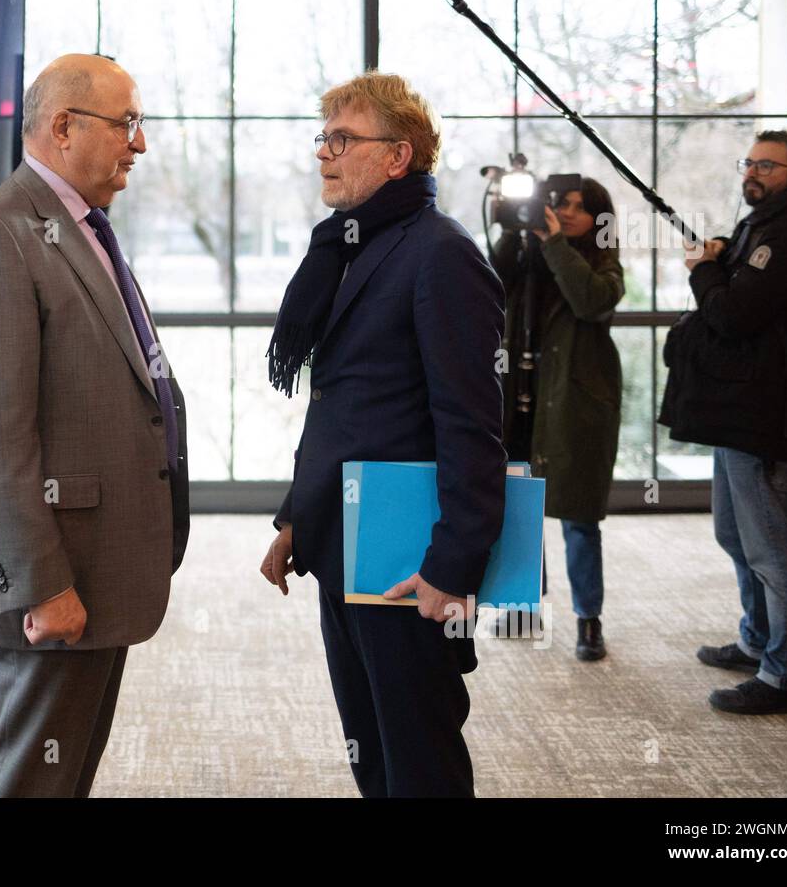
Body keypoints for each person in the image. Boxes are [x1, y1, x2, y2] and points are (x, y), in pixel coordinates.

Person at [0, 53, 190, 795]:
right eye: (126, 124)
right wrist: (43, 586)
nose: (138, 144)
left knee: (63, 777)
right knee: (26, 780)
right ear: (64, 126)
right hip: (55, 575)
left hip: (102, 562)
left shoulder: (81, 226)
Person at [259, 72, 506, 797]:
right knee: (371, 748)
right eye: (322, 137)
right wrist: (297, 519)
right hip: (345, 546)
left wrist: (452, 567)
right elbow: (345, 406)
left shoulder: (441, 253)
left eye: (343, 139)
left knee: (419, 758)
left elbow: (472, 426)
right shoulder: (352, 247)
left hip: (409, 561)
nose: (324, 154)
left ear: (398, 156)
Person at [660, 130, 787, 715]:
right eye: (751, 162)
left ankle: (784, 674)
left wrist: (702, 270)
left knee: (774, 548)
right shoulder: (768, 223)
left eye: (769, 164)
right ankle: (756, 638)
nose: (754, 173)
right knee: (736, 536)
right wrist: (723, 257)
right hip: (739, 409)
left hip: (769, 412)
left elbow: (735, 315)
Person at [489, 179, 625, 661]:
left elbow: (592, 300)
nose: (566, 213)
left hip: (574, 403)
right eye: (558, 204)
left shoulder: (602, 262)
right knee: (521, 507)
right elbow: (489, 282)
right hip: (521, 400)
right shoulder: (529, 254)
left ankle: (590, 621)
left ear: (597, 219)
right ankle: (525, 605)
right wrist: (511, 228)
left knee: (578, 517)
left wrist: (554, 245)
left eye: (578, 208)